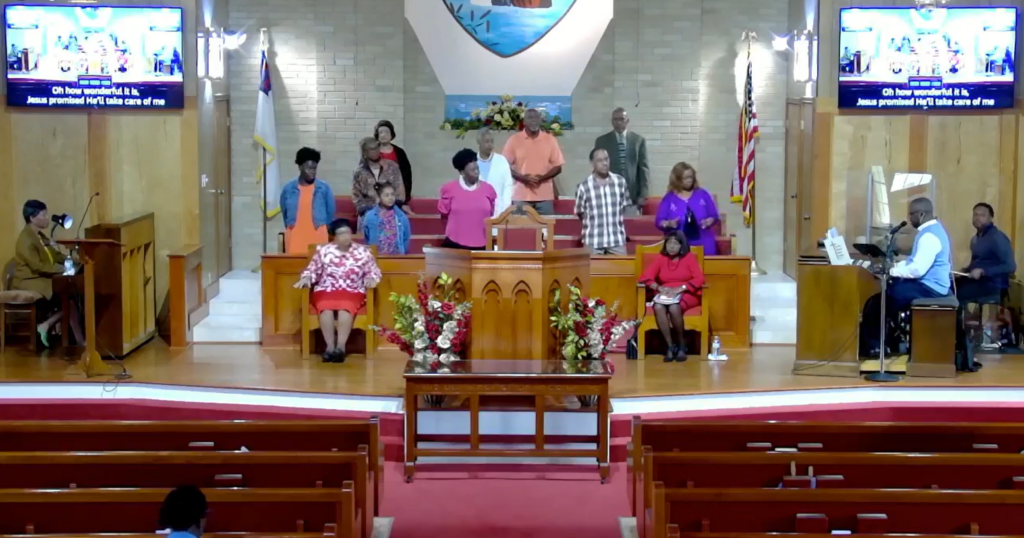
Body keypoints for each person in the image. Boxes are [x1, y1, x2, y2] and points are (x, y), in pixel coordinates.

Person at [860, 197, 952, 354]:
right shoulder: (931, 231)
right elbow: (912, 262)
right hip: (928, 285)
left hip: (931, 288)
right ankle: (887, 341)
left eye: (911, 214)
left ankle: (875, 346)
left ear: (921, 214)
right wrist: (894, 267)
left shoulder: (929, 236)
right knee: (884, 296)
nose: (909, 219)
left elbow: (917, 270)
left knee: (880, 301)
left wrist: (890, 271)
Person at [295, 218, 382, 363]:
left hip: (353, 290)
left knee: (345, 307)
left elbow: (373, 271)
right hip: (326, 289)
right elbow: (312, 270)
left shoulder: (363, 252)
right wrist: (306, 278)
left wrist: (371, 279)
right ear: (334, 237)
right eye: (341, 234)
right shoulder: (324, 251)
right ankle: (330, 348)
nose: (346, 236)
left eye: (348, 233)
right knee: (325, 307)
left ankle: (340, 348)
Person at [12, 200, 83, 348]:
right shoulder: (25, 239)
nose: (47, 218)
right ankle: (75, 338)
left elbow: (55, 255)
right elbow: (37, 266)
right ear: (32, 218)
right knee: (68, 298)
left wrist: (76, 261)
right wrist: (63, 270)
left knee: (73, 296)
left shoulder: (40, 236)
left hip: (42, 278)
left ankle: (69, 335)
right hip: (29, 280)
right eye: (43, 215)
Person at [638, 231, 705, 363]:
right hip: (666, 292)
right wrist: (659, 288)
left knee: (674, 307)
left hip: (687, 292)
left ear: (682, 245)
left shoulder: (689, 258)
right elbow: (645, 277)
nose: (672, 247)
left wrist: (680, 288)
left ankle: (681, 344)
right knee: (658, 307)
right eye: (669, 243)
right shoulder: (661, 258)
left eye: (675, 244)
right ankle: (669, 346)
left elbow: (700, 279)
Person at [503, 108, 565, 216]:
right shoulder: (514, 140)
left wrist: (542, 178)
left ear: (540, 120)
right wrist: (522, 178)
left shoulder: (550, 139)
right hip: (521, 196)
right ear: (524, 122)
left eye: (536, 117)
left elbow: (558, 167)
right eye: (530, 118)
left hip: (545, 197)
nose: (534, 120)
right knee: (521, 227)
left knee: (547, 227)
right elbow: (503, 166)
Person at [655, 162, 720, 256]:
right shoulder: (669, 198)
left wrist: (709, 221)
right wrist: (669, 223)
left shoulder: (703, 194)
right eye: (685, 178)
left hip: (704, 246)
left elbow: (714, 215)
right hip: (677, 247)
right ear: (677, 179)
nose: (689, 180)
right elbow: (659, 221)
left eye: (691, 177)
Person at [593, 107, 649, 215]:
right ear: (611, 121)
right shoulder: (601, 141)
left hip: (632, 195)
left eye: (621, 119)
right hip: (608, 195)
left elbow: (644, 168)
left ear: (627, 121)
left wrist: (644, 194)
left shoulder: (638, 140)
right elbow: (597, 169)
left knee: (631, 224)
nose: (618, 122)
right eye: (615, 119)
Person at [438, 148, 497, 250]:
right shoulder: (449, 189)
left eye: (477, 169)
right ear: (462, 172)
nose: (476, 172)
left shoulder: (488, 189)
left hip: (483, 245)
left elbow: (491, 214)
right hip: (455, 244)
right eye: (472, 170)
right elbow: (444, 215)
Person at [280, 147, 335, 255]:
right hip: (295, 234)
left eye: (314, 168)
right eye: (309, 168)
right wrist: (291, 225)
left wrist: (322, 227)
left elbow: (330, 211)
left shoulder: (323, 188)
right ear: (300, 167)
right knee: (296, 263)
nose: (312, 172)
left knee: (317, 263)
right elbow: (284, 211)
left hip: (318, 233)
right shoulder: (288, 188)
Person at [574, 148, 629, 255]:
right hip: (593, 241)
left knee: (624, 265)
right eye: (600, 160)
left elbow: (624, 207)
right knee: (590, 266)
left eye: (606, 159)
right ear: (592, 164)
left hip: (616, 240)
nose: (604, 163)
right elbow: (580, 212)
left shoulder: (620, 182)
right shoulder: (584, 186)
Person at [958, 202, 1015, 304]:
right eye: (975, 215)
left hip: (993, 285)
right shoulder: (975, 239)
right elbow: (977, 262)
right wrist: (965, 270)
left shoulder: (997, 238)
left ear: (991, 218)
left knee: (959, 294)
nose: (977, 218)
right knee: (950, 286)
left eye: (982, 215)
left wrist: (983, 271)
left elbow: (1011, 266)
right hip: (978, 282)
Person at [353, 137, 406, 217]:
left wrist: (393, 206)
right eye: (371, 149)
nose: (374, 151)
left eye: (376, 148)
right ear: (365, 152)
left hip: (392, 211)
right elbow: (356, 194)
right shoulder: (359, 172)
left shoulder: (392, 166)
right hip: (369, 213)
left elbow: (400, 189)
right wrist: (364, 209)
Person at [361, 183, 411, 255]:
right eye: (386, 195)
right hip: (377, 256)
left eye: (392, 194)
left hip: (397, 256)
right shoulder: (370, 216)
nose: (390, 198)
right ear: (379, 197)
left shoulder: (401, 216)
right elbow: (366, 236)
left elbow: (406, 238)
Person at [476, 127, 513, 218]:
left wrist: (505, 209)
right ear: (479, 143)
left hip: (499, 211)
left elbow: (508, 185)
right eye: (486, 142)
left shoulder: (501, 160)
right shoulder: (472, 161)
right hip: (476, 210)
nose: (490, 145)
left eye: (492, 142)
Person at [374, 120, 413, 200]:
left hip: (395, 195)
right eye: (380, 132)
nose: (383, 135)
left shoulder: (400, 152)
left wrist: (405, 199)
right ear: (377, 135)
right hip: (375, 195)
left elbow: (406, 176)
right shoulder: (371, 151)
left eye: (386, 132)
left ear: (391, 135)